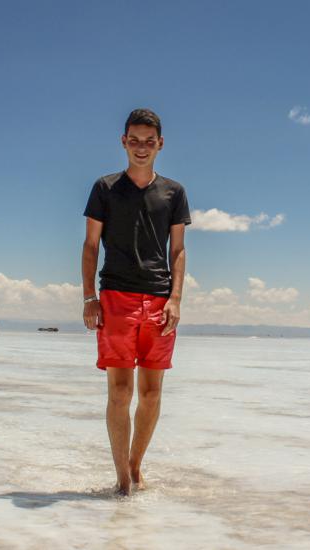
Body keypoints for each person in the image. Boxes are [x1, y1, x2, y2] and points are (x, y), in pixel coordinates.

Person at [81, 108, 192, 496]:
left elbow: (178, 250)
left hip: (160, 300)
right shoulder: (105, 188)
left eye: (149, 141)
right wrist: (89, 297)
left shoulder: (174, 192)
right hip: (115, 297)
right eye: (134, 140)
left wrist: (175, 298)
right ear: (123, 142)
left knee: (150, 393)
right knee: (120, 392)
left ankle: (136, 464)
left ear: (160, 144)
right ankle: (123, 481)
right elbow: (91, 244)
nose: (141, 148)